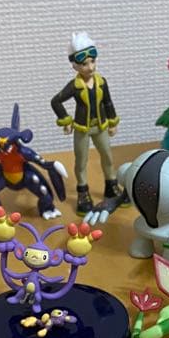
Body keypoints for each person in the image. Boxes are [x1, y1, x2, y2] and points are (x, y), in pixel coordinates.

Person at [51, 32, 120, 213]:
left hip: (101, 126)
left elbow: (108, 102)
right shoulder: (74, 86)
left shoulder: (101, 82)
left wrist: (113, 122)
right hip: (82, 129)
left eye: (92, 62)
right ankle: (83, 192)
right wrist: (66, 121)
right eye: (84, 64)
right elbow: (56, 101)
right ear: (75, 66)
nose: (90, 67)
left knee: (107, 156)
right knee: (82, 161)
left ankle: (111, 185)